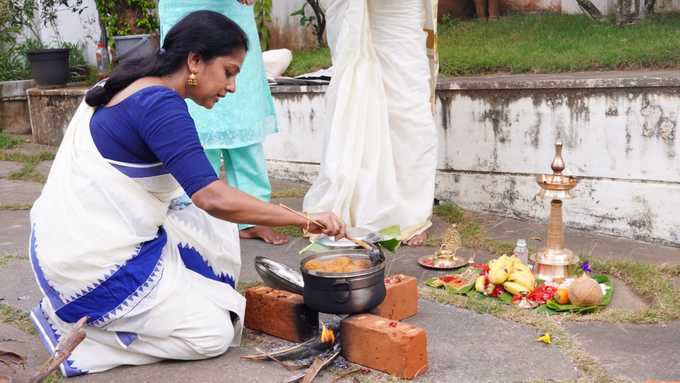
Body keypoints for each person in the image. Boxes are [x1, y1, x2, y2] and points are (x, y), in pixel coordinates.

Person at [28, 11, 345, 376]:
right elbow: (212, 197)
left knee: (209, 234)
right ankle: (87, 338)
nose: (232, 87)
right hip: (95, 267)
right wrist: (304, 220)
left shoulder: (138, 83)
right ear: (195, 60)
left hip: (65, 248)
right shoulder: (160, 106)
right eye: (229, 72)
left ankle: (115, 312)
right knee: (214, 333)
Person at [302, 0, 439, 246]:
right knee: (357, 96)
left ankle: (410, 215)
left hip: (400, 12)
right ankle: (358, 206)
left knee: (409, 110)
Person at [158, 0, 287, 245]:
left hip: (232, 9)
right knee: (194, 114)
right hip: (184, 8)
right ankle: (194, 213)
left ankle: (253, 215)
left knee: (244, 110)